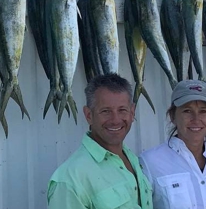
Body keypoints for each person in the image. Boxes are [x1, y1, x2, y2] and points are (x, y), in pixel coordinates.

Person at [47, 73, 153, 209]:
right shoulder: (69, 180)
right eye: (105, 111)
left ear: (132, 113)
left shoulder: (131, 159)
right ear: (89, 115)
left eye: (122, 110)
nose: (115, 120)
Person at [139, 80, 206, 209]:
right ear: (172, 116)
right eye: (187, 111)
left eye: (203, 111)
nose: (196, 119)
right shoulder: (149, 161)